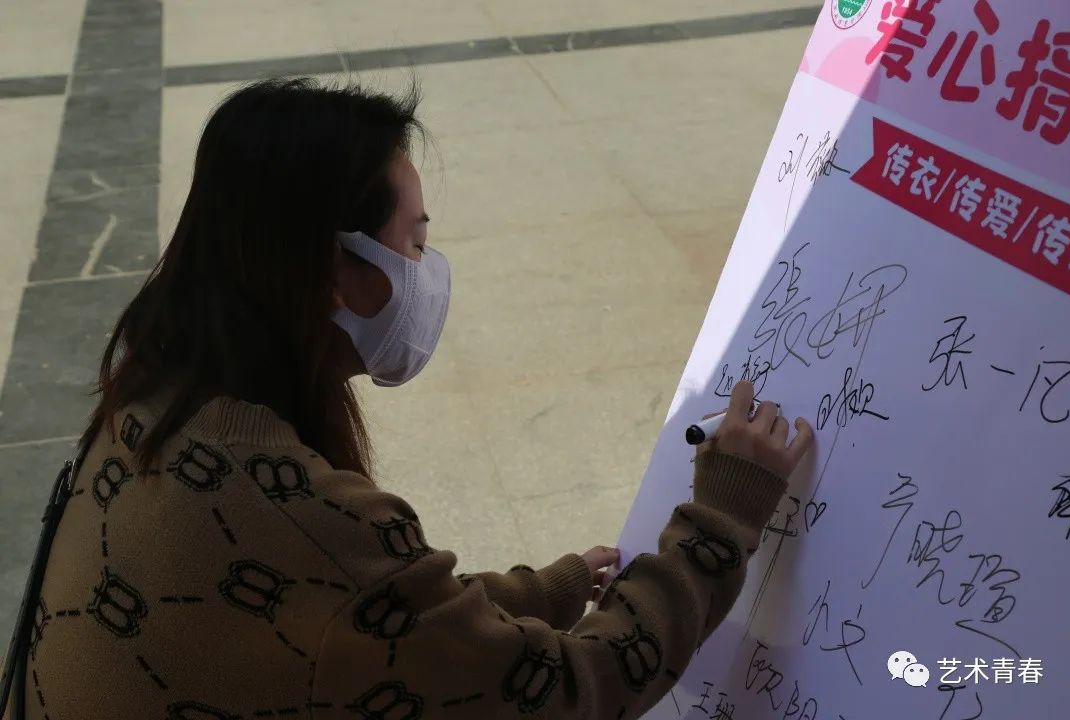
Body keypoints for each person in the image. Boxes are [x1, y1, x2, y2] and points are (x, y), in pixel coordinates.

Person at [9, 78, 813, 719]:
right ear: (334, 270)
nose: (427, 270)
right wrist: (721, 516)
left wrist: (546, 592)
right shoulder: (304, 515)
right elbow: (572, 692)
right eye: (415, 243)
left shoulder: (154, 398)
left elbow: (366, 618)